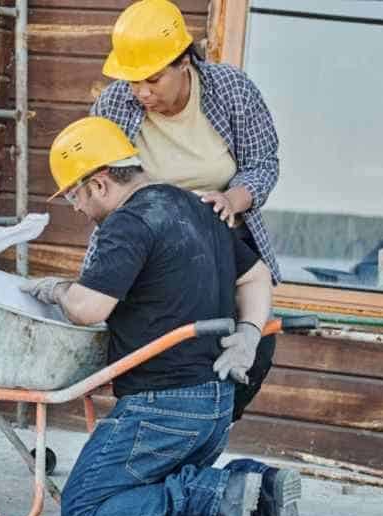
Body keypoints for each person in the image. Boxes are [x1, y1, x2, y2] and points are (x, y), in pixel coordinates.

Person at [22, 116, 301, 516]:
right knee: (146, 496)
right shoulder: (198, 206)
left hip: (162, 408)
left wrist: (56, 289)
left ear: (100, 183)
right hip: (216, 405)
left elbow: (88, 309)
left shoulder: (129, 222)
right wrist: (249, 331)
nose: (78, 209)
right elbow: (256, 276)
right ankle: (260, 489)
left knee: (84, 510)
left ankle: (220, 493)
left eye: (74, 196)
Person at [88, 0, 282, 421]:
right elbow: (97, 183)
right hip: (149, 241)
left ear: (184, 62)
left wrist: (234, 199)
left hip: (222, 233)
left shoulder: (231, 90)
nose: (141, 92)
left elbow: (264, 163)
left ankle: (207, 429)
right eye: (132, 80)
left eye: (153, 79)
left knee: (255, 347)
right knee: (155, 353)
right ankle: (155, 431)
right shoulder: (113, 106)